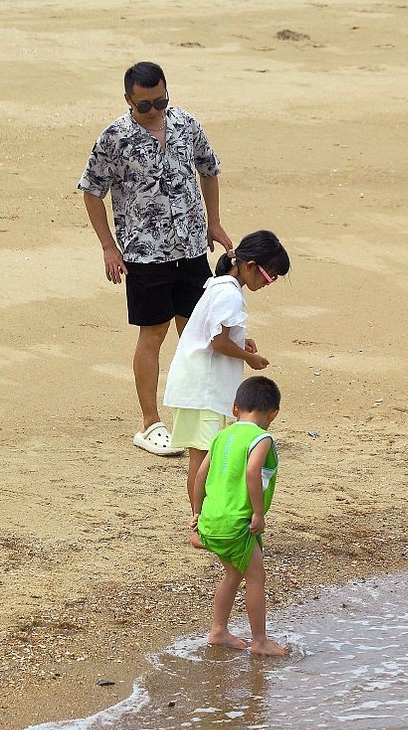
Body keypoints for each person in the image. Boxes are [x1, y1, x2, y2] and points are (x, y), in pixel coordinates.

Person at [79, 61, 234, 456]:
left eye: (161, 102)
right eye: (145, 105)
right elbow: (92, 191)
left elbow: (209, 169)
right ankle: (150, 423)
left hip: (191, 247)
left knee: (198, 333)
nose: (154, 111)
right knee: (153, 334)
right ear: (128, 100)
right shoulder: (115, 137)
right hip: (144, 254)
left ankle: (202, 417)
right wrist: (108, 247)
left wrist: (214, 222)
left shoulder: (185, 124)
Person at [163, 230, 290, 532]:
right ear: (250, 266)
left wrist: (241, 340)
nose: (268, 283)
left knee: (204, 457)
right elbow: (217, 342)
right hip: (201, 388)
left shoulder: (222, 285)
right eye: (269, 276)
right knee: (203, 459)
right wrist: (249, 358)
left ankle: (204, 521)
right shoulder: (229, 293)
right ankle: (200, 524)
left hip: (200, 386)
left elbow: (217, 333)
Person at [191, 375, 289, 657]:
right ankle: (260, 641)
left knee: (233, 573)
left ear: (235, 407)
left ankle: (218, 630)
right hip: (238, 524)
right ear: (273, 413)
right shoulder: (261, 438)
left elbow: (201, 475)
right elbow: (252, 472)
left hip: (211, 521)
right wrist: (258, 513)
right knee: (256, 577)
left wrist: (197, 513)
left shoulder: (221, 436)